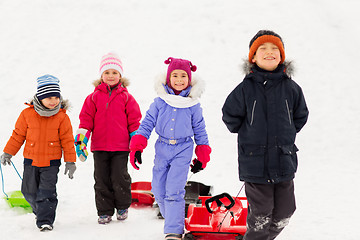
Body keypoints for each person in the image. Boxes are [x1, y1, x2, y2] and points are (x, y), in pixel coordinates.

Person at [222, 30, 309, 240]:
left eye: (274, 49)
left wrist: (286, 132)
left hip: (284, 161)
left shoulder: (291, 88)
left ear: (282, 56)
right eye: (263, 48)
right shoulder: (245, 89)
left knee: (285, 213)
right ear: (253, 57)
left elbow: (300, 116)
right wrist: (250, 132)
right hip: (255, 163)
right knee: (260, 215)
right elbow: (230, 117)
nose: (269, 52)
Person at [129, 57, 211, 240]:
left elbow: (200, 130)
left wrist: (203, 155)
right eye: (175, 75)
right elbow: (147, 123)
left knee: (174, 190)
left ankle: (174, 231)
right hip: (163, 147)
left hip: (183, 149)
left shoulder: (193, 105)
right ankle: (175, 218)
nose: (179, 79)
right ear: (168, 78)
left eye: (183, 76)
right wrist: (137, 146)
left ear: (189, 80)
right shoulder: (160, 102)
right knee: (158, 190)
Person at [0, 74, 76, 231]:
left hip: (51, 162)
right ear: (40, 97)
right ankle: (40, 210)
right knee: (28, 192)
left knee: (46, 192)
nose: (53, 101)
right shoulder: (27, 114)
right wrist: (8, 152)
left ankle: (45, 220)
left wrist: (70, 161)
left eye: (56, 97)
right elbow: (18, 135)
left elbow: (68, 141)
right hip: (30, 161)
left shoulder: (62, 117)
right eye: (49, 97)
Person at [75, 52, 142, 224]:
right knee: (101, 179)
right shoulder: (93, 98)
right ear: (101, 75)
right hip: (99, 147)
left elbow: (134, 122)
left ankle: (122, 206)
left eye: (114, 72)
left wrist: (136, 143)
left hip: (121, 147)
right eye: (107, 72)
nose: (110, 76)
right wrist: (81, 140)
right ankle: (104, 211)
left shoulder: (127, 97)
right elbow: (86, 121)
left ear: (120, 75)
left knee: (120, 177)